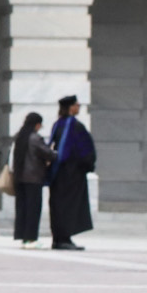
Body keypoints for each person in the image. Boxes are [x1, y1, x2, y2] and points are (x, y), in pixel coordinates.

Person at [47, 95, 95, 251]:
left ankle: (59, 238)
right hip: (71, 175)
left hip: (59, 174)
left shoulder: (58, 124)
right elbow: (84, 150)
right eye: (77, 104)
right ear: (70, 107)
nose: (79, 107)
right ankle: (63, 238)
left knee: (58, 205)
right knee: (67, 206)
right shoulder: (74, 126)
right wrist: (87, 165)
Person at [9, 113, 53, 246]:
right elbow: (48, 153)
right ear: (37, 124)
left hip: (19, 178)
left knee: (22, 208)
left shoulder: (19, 136)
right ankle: (31, 239)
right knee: (33, 209)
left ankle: (23, 237)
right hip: (33, 178)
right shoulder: (34, 138)